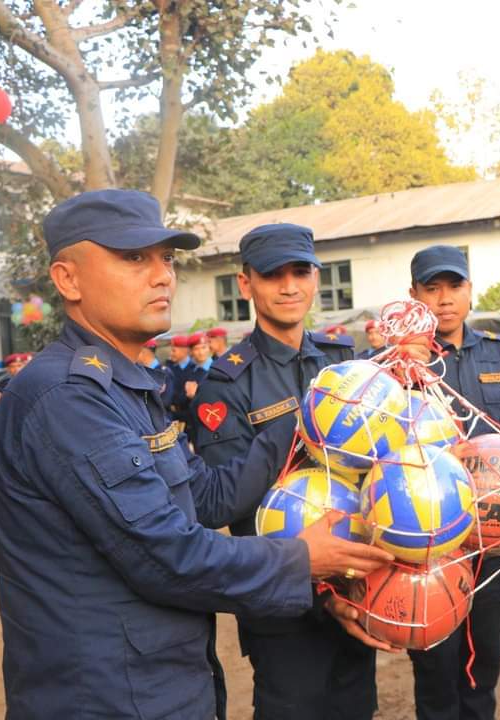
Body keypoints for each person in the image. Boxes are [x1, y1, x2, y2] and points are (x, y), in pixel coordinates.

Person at [0, 189, 392, 720]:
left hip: (161, 682)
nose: (162, 276)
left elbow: (205, 495)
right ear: (68, 279)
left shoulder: (127, 387)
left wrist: (309, 414)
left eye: (167, 259)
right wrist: (302, 558)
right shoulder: (67, 398)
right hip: (105, 696)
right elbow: (166, 556)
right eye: (133, 258)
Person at [191, 223, 380, 720]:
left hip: (351, 581)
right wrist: (300, 421)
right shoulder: (226, 383)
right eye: (274, 274)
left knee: (355, 707)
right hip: (283, 598)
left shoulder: (344, 363)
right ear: (245, 284)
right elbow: (219, 503)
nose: (290, 285)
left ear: (316, 277)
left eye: (301, 271)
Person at [403, 244, 500, 720]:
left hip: (491, 537)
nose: (444, 298)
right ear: (413, 296)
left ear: (470, 291)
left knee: (484, 665)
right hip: (425, 540)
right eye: (431, 288)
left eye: (454, 286)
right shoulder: (391, 369)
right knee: (434, 668)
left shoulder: (497, 353)